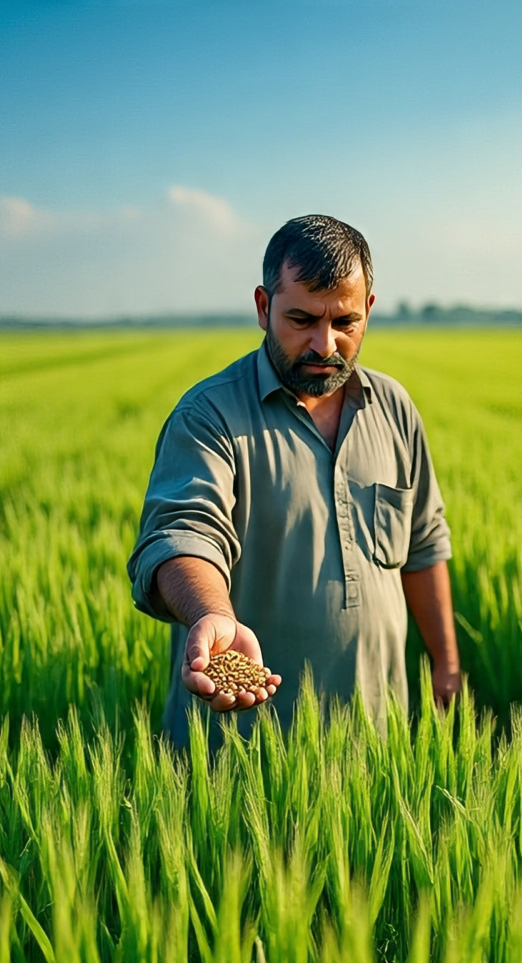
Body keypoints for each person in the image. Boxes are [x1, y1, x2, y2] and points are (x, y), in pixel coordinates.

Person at [127, 214, 460, 746]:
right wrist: (214, 616)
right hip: (242, 753)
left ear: (369, 310)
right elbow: (183, 534)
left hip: (379, 742)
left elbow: (423, 543)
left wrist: (445, 663)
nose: (324, 344)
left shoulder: (393, 408)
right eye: (301, 319)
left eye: (345, 322)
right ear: (263, 307)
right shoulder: (210, 416)